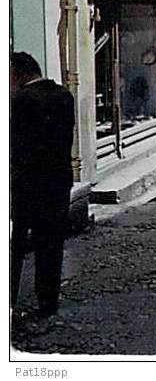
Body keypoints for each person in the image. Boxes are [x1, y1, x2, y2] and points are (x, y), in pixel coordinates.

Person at [10, 51, 75, 319]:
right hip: (58, 181)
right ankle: (47, 301)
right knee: (50, 244)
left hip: (26, 183)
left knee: (14, 244)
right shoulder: (63, 96)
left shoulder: (20, 101)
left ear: (16, 73)